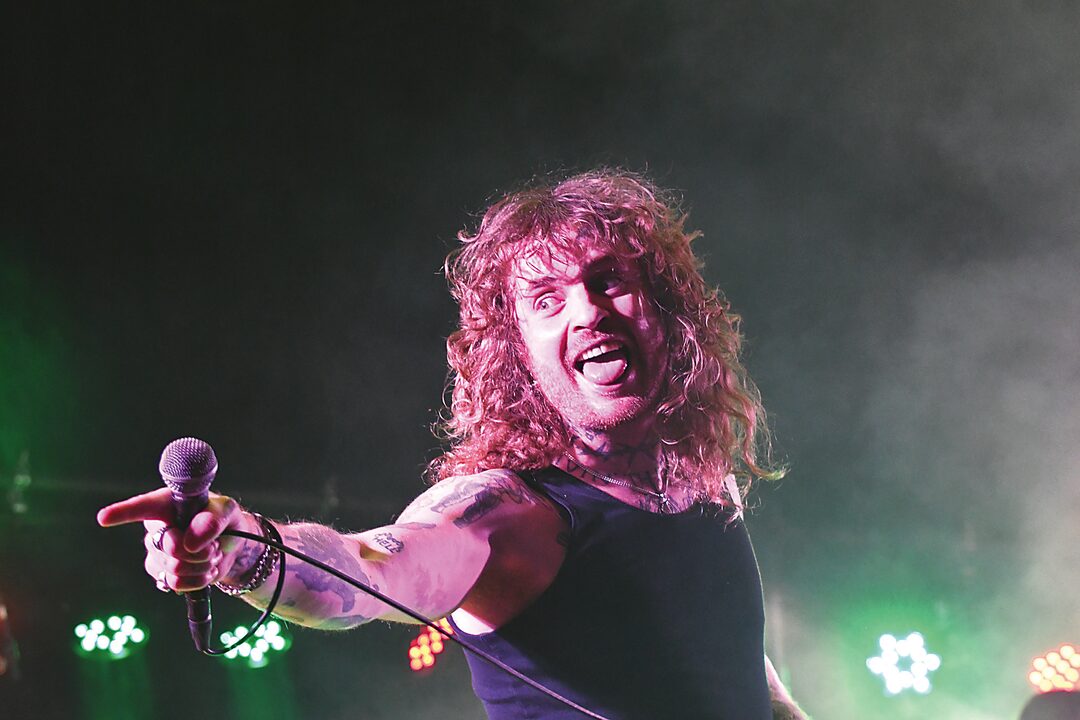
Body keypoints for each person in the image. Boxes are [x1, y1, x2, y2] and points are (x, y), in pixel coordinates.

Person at [98, 170, 808, 719]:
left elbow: (739, 673)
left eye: (609, 281)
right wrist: (242, 549)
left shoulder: (703, 481)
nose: (588, 311)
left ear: (666, 312)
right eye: (546, 299)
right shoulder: (509, 514)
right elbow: (374, 567)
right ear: (518, 353)